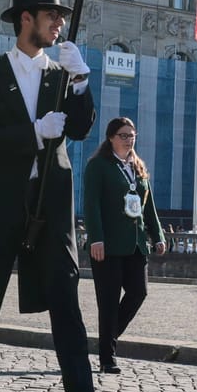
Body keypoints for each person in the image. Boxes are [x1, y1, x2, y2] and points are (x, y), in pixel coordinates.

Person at [0, 0, 128, 392]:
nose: (58, 23)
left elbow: (79, 127)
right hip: (4, 201)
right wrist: (32, 132)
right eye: (51, 15)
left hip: (51, 203)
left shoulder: (60, 74)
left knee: (67, 303)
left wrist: (83, 83)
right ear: (25, 19)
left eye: (61, 17)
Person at [82, 116, 167, 374]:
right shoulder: (99, 166)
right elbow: (91, 204)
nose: (129, 139)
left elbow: (147, 207)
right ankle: (108, 358)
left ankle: (108, 338)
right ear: (111, 138)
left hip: (135, 244)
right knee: (107, 302)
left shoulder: (137, 167)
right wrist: (96, 237)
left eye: (132, 135)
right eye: (123, 135)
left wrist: (158, 235)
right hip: (107, 245)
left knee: (138, 292)